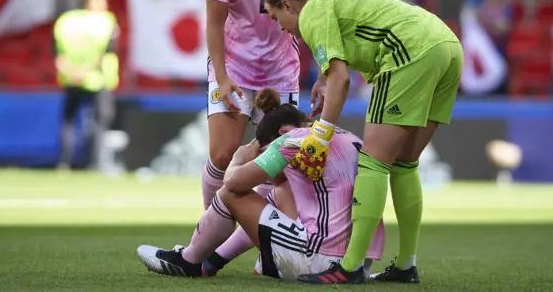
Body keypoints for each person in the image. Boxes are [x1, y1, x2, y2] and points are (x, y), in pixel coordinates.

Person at [263, 0, 463, 284]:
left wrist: (321, 136)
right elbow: (337, 71)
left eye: (276, 17)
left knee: (373, 162)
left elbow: (341, 80)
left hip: (410, 51)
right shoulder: (332, 2)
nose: (281, 26)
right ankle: (406, 265)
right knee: (404, 163)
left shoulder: (312, 11)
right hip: (447, 46)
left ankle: (350, 266)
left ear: (287, 5)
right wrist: (324, 78)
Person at [200, 0, 327, 262]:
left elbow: (321, 24)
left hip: (281, 72)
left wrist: (323, 73)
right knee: (223, 156)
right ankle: (206, 237)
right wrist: (221, 78)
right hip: (234, 70)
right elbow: (213, 22)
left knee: (279, 169)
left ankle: (270, 243)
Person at [137, 89, 384, 282]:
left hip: (320, 261)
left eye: (264, 153)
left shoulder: (291, 138)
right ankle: (211, 262)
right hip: (358, 264)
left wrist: (238, 160)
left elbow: (233, 182)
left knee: (231, 192)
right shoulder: (346, 136)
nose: (269, 170)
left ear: (283, 131)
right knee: (281, 191)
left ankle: (188, 260)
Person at [54, 0, 119, 169]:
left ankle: (64, 161)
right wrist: (85, 71)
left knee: (68, 120)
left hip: (70, 78)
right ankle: (96, 162)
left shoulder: (65, 21)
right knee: (101, 121)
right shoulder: (106, 22)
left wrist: (71, 72)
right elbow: (106, 52)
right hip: (98, 79)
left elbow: (58, 53)